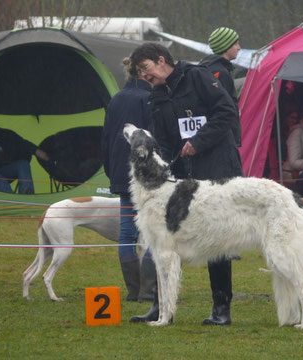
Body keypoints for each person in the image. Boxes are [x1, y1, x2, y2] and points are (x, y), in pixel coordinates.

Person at [129, 42, 243, 325]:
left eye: (145, 69)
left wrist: (198, 142)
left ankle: (221, 308)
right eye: (140, 72)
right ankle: (160, 306)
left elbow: (227, 113)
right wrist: (162, 167)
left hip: (218, 168)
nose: (144, 76)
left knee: (218, 238)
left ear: (160, 60)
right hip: (181, 174)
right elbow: (165, 141)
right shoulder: (156, 96)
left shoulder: (198, 76)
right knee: (162, 240)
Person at [101, 58, 157, 303]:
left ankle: (133, 291)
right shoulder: (150, 98)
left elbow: (105, 139)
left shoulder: (116, 99)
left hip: (122, 175)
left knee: (127, 234)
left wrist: (110, 170)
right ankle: (148, 290)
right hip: (148, 177)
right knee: (155, 232)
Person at [199, 27, 242, 147]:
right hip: (223, 138)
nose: (239, 48)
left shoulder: (209, 68)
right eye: (236, 44)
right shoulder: (220, 72)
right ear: (225, 46)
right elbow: (224, 107)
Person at [0, 127, 49, 194]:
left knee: (22, 164)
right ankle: (11, 200)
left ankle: (27, 194)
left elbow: (22, 143)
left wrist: (36, 151)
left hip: (4, 170)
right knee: (0, 181)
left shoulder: (0, 133)